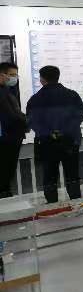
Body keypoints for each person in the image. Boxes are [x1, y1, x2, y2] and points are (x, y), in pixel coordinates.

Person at [26, 66, 83, 203]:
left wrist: (50, 133)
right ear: (58, 77)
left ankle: (52, 205)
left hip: (46, 142)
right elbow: (79, 115)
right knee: (72, 175)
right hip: (70, 141)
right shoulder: (72, 95)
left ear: (42, 79)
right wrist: (63, 132)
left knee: (50, 176)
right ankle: (77, 203)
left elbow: (32, 121)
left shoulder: (35, 99)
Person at [0, 62, 26, 198]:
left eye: (16, 75)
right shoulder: (2, 93)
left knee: (7, 172)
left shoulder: (7, 91)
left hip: (12, 137)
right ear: (1, 75)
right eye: (11, 75)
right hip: (6, 139)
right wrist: (26, 121)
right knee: (5, 172)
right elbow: (10, 116)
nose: (14, 78)